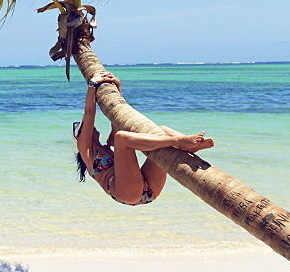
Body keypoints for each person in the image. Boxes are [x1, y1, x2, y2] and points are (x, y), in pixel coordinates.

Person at [74, 70, 214, 205]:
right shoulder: (85, 149)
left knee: (161, 130)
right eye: (82, 127)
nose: (88, 127)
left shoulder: (108, 146)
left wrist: (117, 88)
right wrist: (92, 84)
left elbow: (116, 118)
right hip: (125, 193)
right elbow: (89, 112)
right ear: (79, 136)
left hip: (149, 188)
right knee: (122, 137)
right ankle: (180, 142)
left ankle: (191, 147)